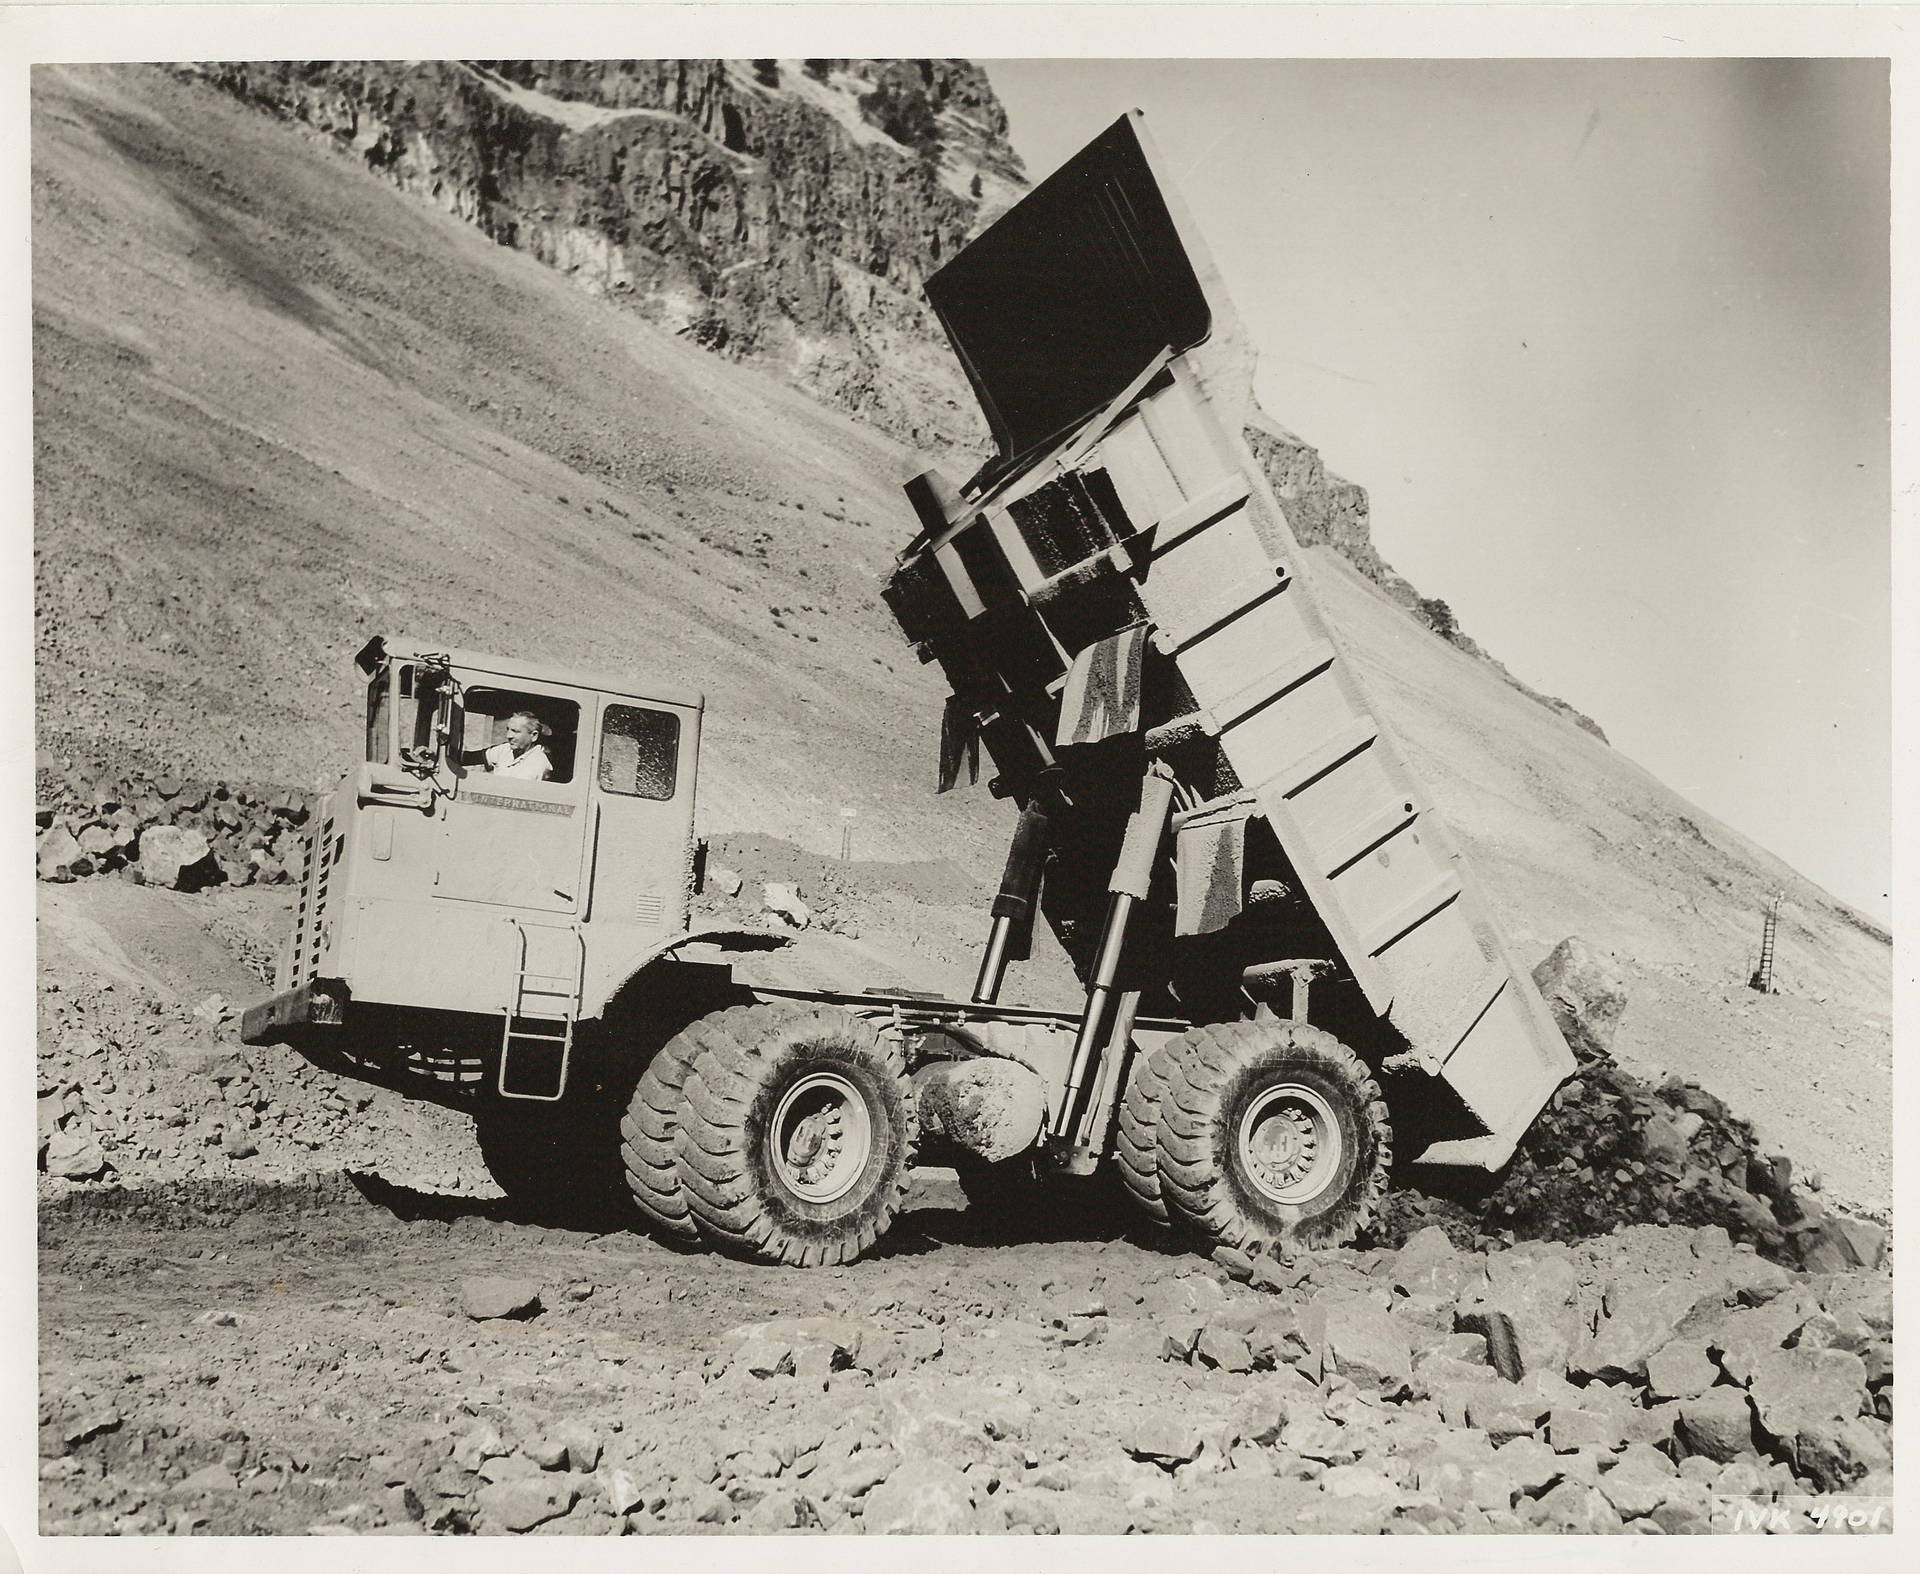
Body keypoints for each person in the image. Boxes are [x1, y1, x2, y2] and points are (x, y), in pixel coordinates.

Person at [484, 711, 553, 781]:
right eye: (508, 729)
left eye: (515, 731)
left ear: (534, 735)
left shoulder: (537, 764)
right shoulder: (506, 748)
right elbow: (477, 757)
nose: (508, 736)